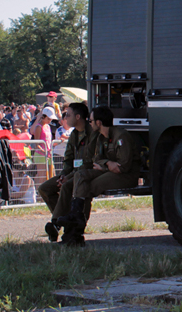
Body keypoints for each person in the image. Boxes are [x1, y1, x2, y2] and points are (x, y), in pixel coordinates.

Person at [57, 106, 142, 247]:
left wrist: (106, 165)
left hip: (126, 175)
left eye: (91, 121)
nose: (89, 123)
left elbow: (123, 167)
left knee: (91, 186)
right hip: (108, 170)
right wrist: (108, 163)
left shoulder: (120, 137)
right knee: (80, 175)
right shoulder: (100, 137)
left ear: (98, 123)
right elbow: (96, 159)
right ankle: (76, 216)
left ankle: (76, 230)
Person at [39, 102, 96, 244]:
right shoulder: (74, 135)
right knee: (44, 188)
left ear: (78, 117)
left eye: (68, 115)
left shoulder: (92, 135)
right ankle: (65, 220)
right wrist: (64, 174)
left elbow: (88, 163)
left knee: (68, 187)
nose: (65, 117)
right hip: (72, 173)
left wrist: (67, 177)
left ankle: (56, 223)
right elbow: (69, 159)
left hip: (86, 174)